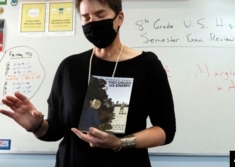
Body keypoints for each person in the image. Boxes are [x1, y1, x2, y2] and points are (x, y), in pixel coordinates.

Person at [0, 0, 176, 167]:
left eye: (100, 15)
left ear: (119, 18)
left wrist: (119, 142)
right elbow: (56, 130)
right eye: (86, 17)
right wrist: (37, 126)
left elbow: (166, 130)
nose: (93, 23)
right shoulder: (70, 67)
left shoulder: (147, 65)